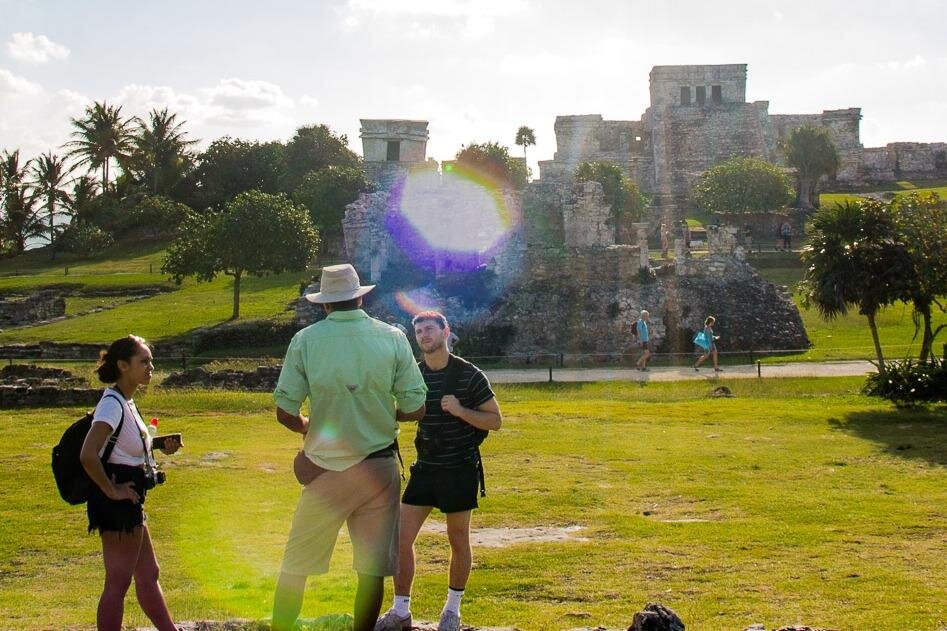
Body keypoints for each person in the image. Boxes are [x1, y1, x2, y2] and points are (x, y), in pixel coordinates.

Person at [271, 264, 428, 631]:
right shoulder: (392, 337)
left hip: (326, 468)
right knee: (371, 571)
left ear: (325, 304)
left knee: (296, 566)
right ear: (360, 298)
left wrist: (308, 427)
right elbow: (417, 406)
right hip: (378, 467)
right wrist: (385, 412)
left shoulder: (306, 340)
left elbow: (285, 412)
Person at [376, 311, 501, 631]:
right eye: (419, 331)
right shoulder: (414, 374)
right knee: (400, 539)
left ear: (446, 331)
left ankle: (452, 611)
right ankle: (401, 611)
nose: (424, 335)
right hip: (425, 468)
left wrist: (460, 410)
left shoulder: (469, 374)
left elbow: (494, 420)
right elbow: (405, 410)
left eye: (430, 329)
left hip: (459, 469)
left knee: (457, 539)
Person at [79, 335, 182, 631]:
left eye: (151, 361)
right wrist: (112, 490)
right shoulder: (112, 405)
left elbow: (126, 447)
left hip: (130, 500)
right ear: (123, 365)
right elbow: (88, 454)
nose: (151, 367)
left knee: (149, 574)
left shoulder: (127, 401)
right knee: (118, 583)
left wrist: (159, 445)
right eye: (144, 361)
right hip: (118, 505)